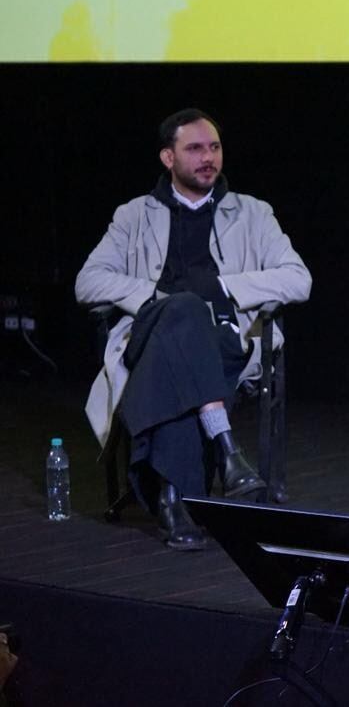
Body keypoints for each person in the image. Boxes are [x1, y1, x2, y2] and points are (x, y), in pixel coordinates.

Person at [76, 109, 312, 551]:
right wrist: (155, 298)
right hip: (150, 334)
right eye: (195, 148)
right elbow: (88, 282)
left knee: (179, 351)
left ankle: (170, 497)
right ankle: (225, 448)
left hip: (225, 341)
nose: (209, 158)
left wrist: (225, 285)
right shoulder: (133, 216)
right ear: (168, 157)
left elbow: (299, 279)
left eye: (215, 147)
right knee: (182, 312)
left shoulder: (254, 214)